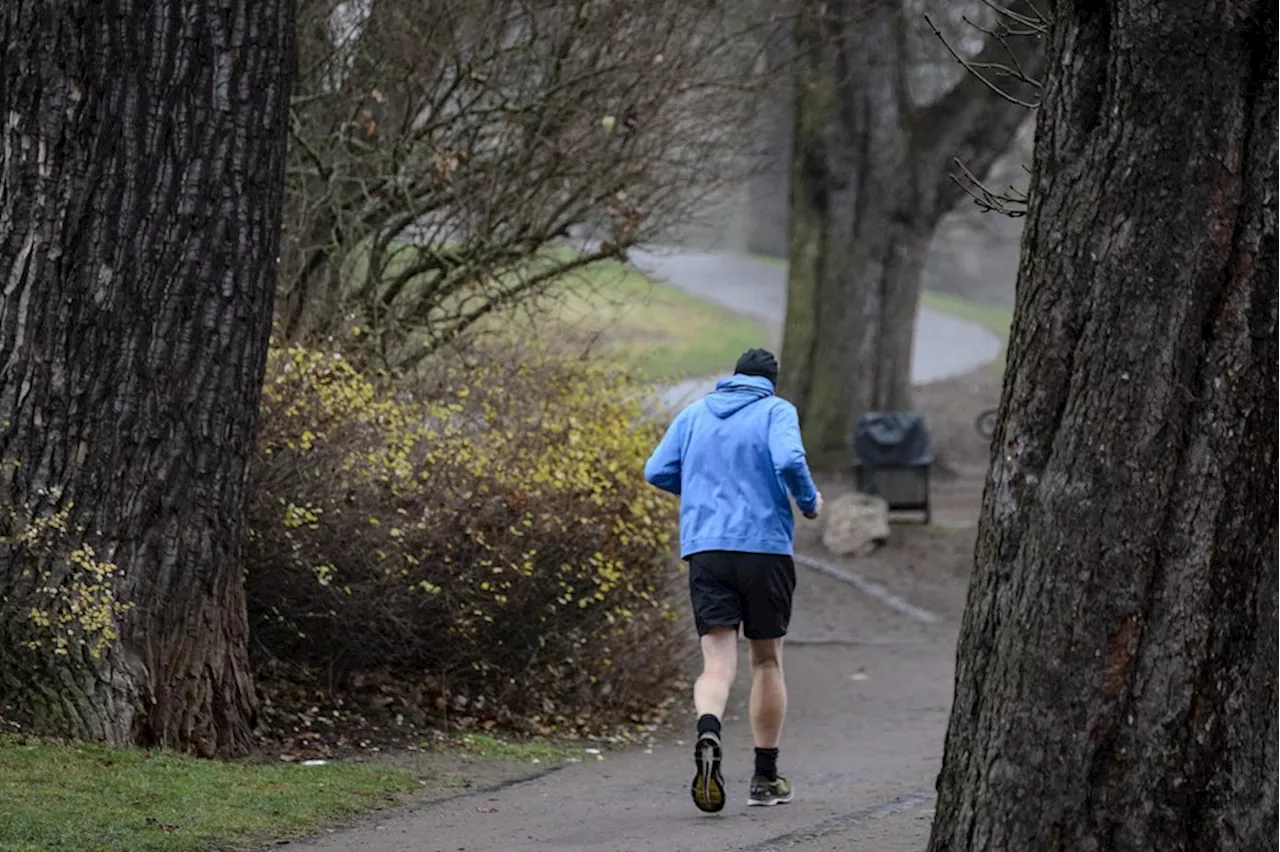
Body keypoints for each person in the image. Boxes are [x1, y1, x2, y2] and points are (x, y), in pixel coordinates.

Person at [643, 348, 822, 813]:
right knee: (766, 661)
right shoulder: (776, 410)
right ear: (770, 382)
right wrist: (807, 501)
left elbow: (656, 470)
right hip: (763, 549)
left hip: (706, 549)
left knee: (716, 664)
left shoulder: (695, 412)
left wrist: (703, 489)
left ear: (733, 378)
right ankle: (765, 779)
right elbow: (788, 460)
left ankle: (708, 728)